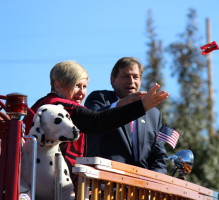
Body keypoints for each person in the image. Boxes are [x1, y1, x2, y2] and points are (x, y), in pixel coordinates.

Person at [22, 60, 169, 181]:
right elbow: (97, 121)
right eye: (76, 86)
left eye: (84, 86)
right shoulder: (59, 108)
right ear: (58, 85)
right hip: (49, 185)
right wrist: (141, 107)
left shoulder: (41, 104)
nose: (81, 92)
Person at [84, 57, 168, 174]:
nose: (131, 81)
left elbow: (159, 158)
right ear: (113, 80)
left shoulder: (153, 113)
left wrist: (155, 182)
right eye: (125, 76)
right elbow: (93, 121)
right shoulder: (99, 98)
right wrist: (123, 103)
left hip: (140, 186)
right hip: (105, 182)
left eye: (135, 77)